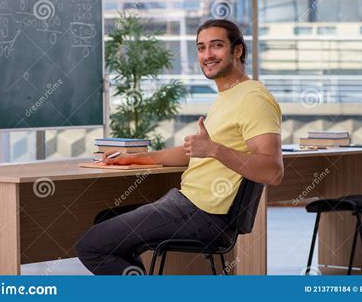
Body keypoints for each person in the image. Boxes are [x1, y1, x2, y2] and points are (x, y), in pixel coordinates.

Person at [76, 19, 283, 275]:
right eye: (201, 48)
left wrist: (214, 150)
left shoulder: (253, 98)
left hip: (203, 214)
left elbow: (272, 171)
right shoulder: (229, 96)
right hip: (187, 205)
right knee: (107, 219)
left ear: (237, 50)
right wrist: (136, 157)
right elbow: (193, 152)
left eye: (216, 46)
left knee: (91, 246)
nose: (207, 55)